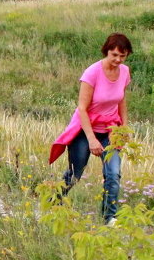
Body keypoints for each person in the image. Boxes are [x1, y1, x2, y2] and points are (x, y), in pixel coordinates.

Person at [49, 33, 133, 225]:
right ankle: (54, 201)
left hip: (110, 129)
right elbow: (82, 109)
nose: (118, 60)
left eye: (123, 56)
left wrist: (123, 129)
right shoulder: (92, 73)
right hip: (85, 130)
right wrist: (91, 139)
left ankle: (109, 217)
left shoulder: (125, 72)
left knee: (113, 174)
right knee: (75, 174)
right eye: (114, 55)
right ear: (106, 51)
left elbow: (121, 100)